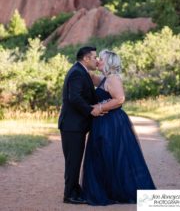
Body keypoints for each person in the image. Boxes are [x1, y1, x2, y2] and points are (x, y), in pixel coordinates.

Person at [82, 49, 156, 205]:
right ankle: (109, 189)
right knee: (104, 154)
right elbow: (90, 76)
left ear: (108, 62)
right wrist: (84, 63)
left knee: (114, 154)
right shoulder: (105, 78)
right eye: (96, 58)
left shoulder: (113, 79)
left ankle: (119, 191)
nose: (97, 60)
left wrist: (100, 108)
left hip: (112, 122)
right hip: (104, 122)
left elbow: (120, 99)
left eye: (100, 58)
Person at [58, 46, 106, 204]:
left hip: (75, 125)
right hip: (72, 125)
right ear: (86, 58)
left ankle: (74, 189)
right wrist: (90, 111)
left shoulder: (81, 71)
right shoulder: (77, 73)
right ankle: (69, 195)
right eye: (94, 57)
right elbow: (75, 98)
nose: (97, 60)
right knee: (73, 160)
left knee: (75, 159)